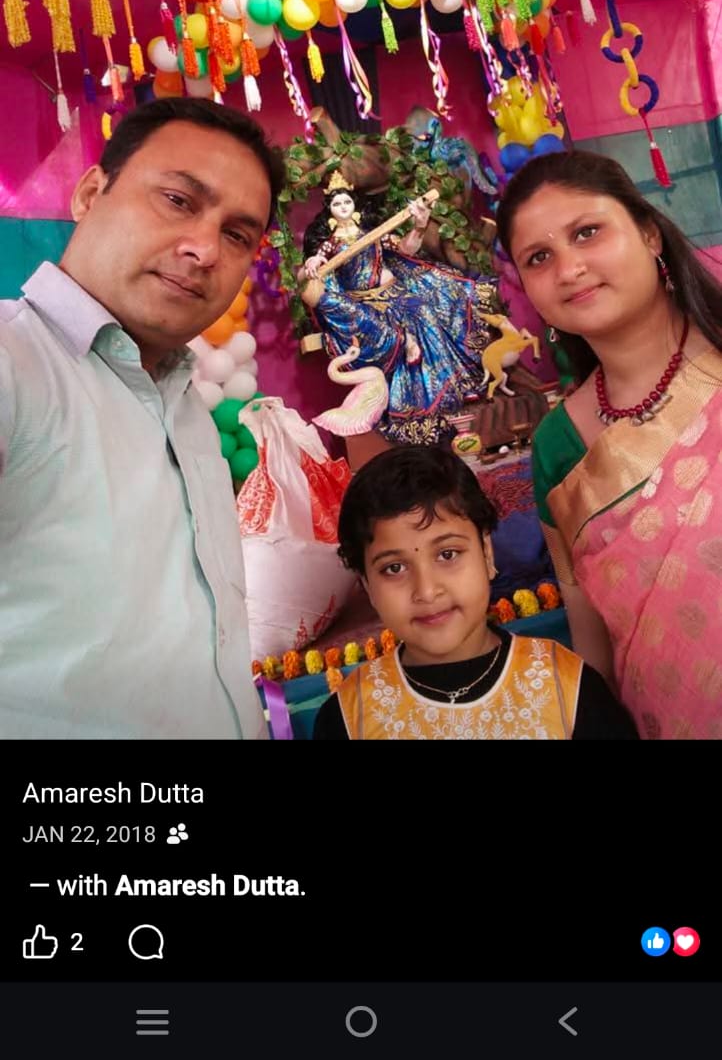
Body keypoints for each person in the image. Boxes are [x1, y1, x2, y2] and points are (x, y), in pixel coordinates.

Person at [0, 97, 285, 740]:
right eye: (178, 200)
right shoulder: (14, 366)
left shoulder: (185, 408)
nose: (204, 249)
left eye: (237, 235)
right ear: (89, 193)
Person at [496, 148, 722, 741]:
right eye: (539, 257)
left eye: (587, 232)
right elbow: (592, 641)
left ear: (649, 234)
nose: (569, 268)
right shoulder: (559, 446)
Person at [313, 446, 638, 739]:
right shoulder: (348, 719)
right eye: (394, 568)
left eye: (447, 554)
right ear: (367, 586)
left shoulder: (566, 687)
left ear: (486, 554)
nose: (427, 590)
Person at [300, 172, 498, 444]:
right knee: (397, 329)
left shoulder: (374, 235)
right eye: (337, 204)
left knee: (424, 312)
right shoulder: (331, 244)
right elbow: (317, 264)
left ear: (355, 205)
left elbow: (406, 249)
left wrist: (419, 227)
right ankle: (416, 401)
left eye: (347, 202)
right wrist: (312, 262)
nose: (343, 207)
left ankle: (457, 386)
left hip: (396, 294)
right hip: (366, 304)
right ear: (330, 211)